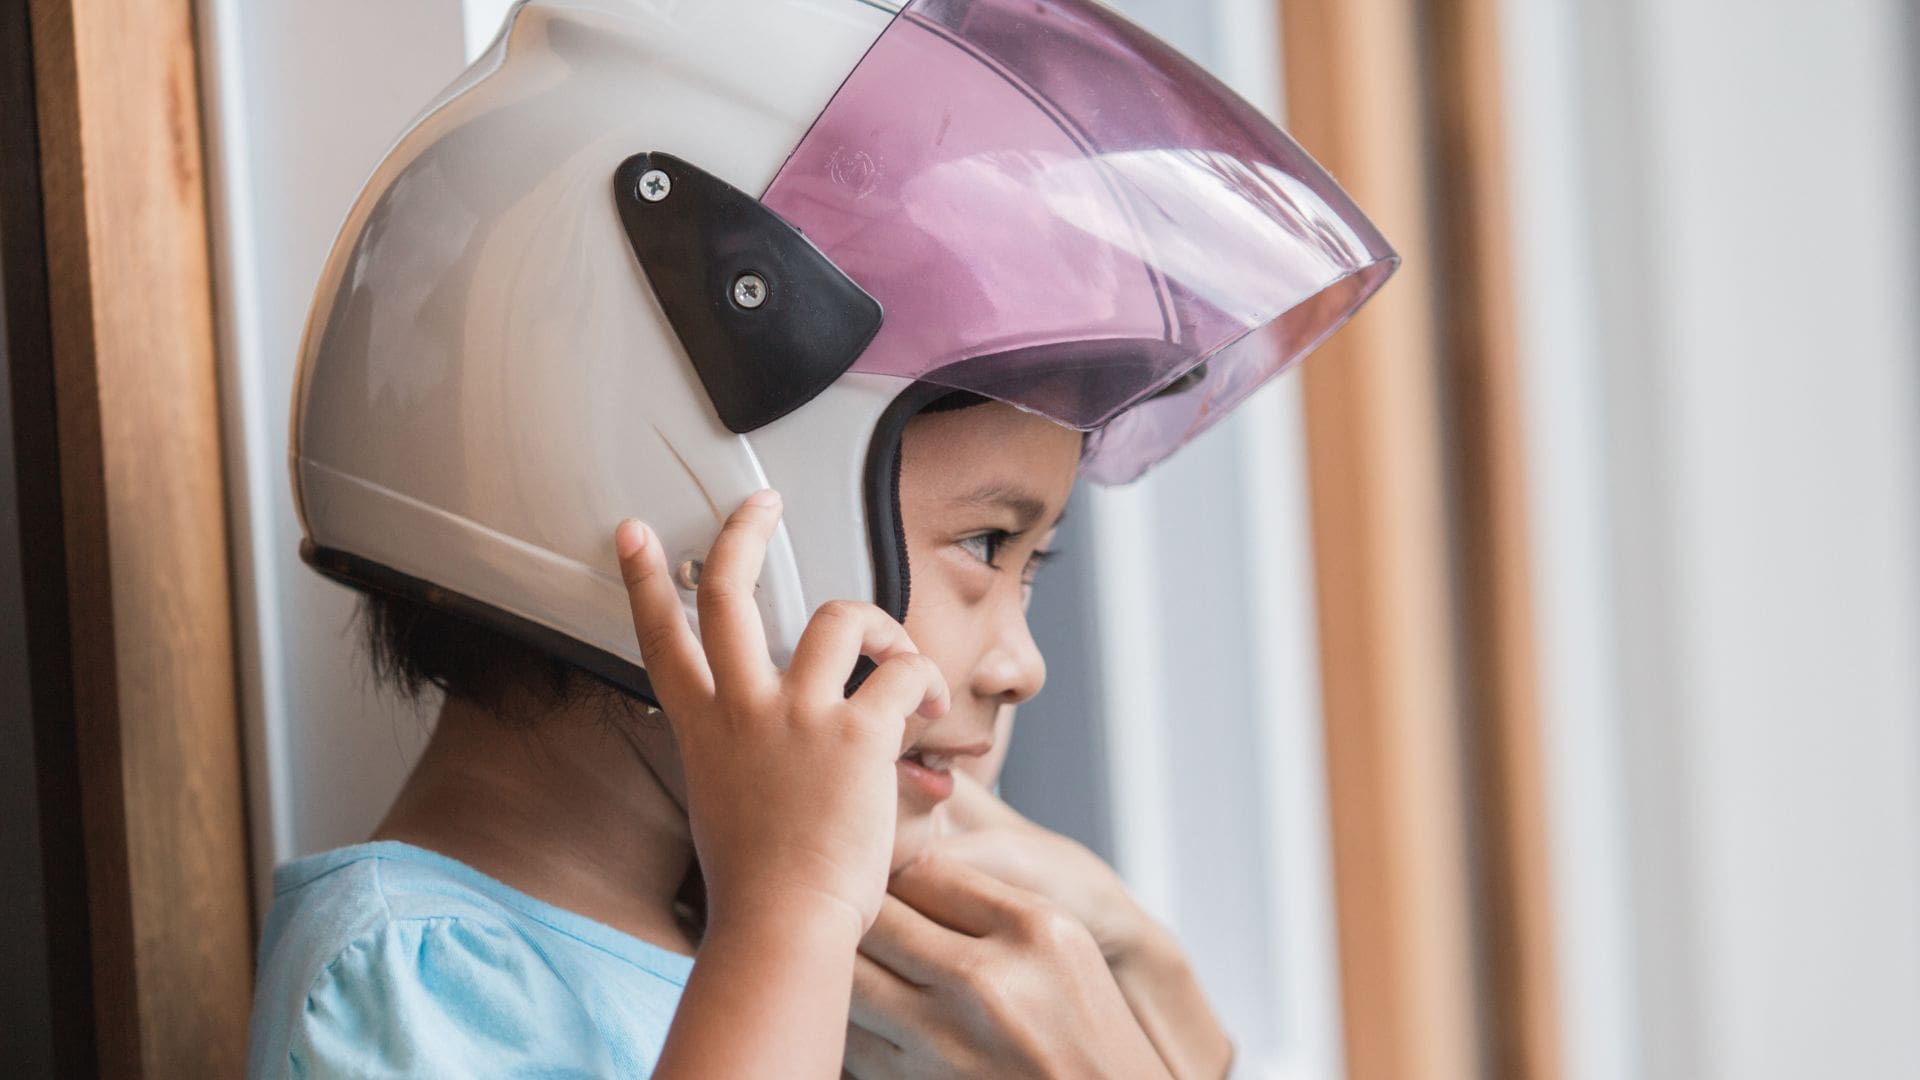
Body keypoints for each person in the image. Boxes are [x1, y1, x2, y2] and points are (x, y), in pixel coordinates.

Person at [245, 0, 1395, 1075]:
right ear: (675, 493)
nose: (1023, 663)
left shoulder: (818, 971)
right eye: (989, 548)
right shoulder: (406, 976)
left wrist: (1150, 988)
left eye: (1029, 565)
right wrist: (789, 908)